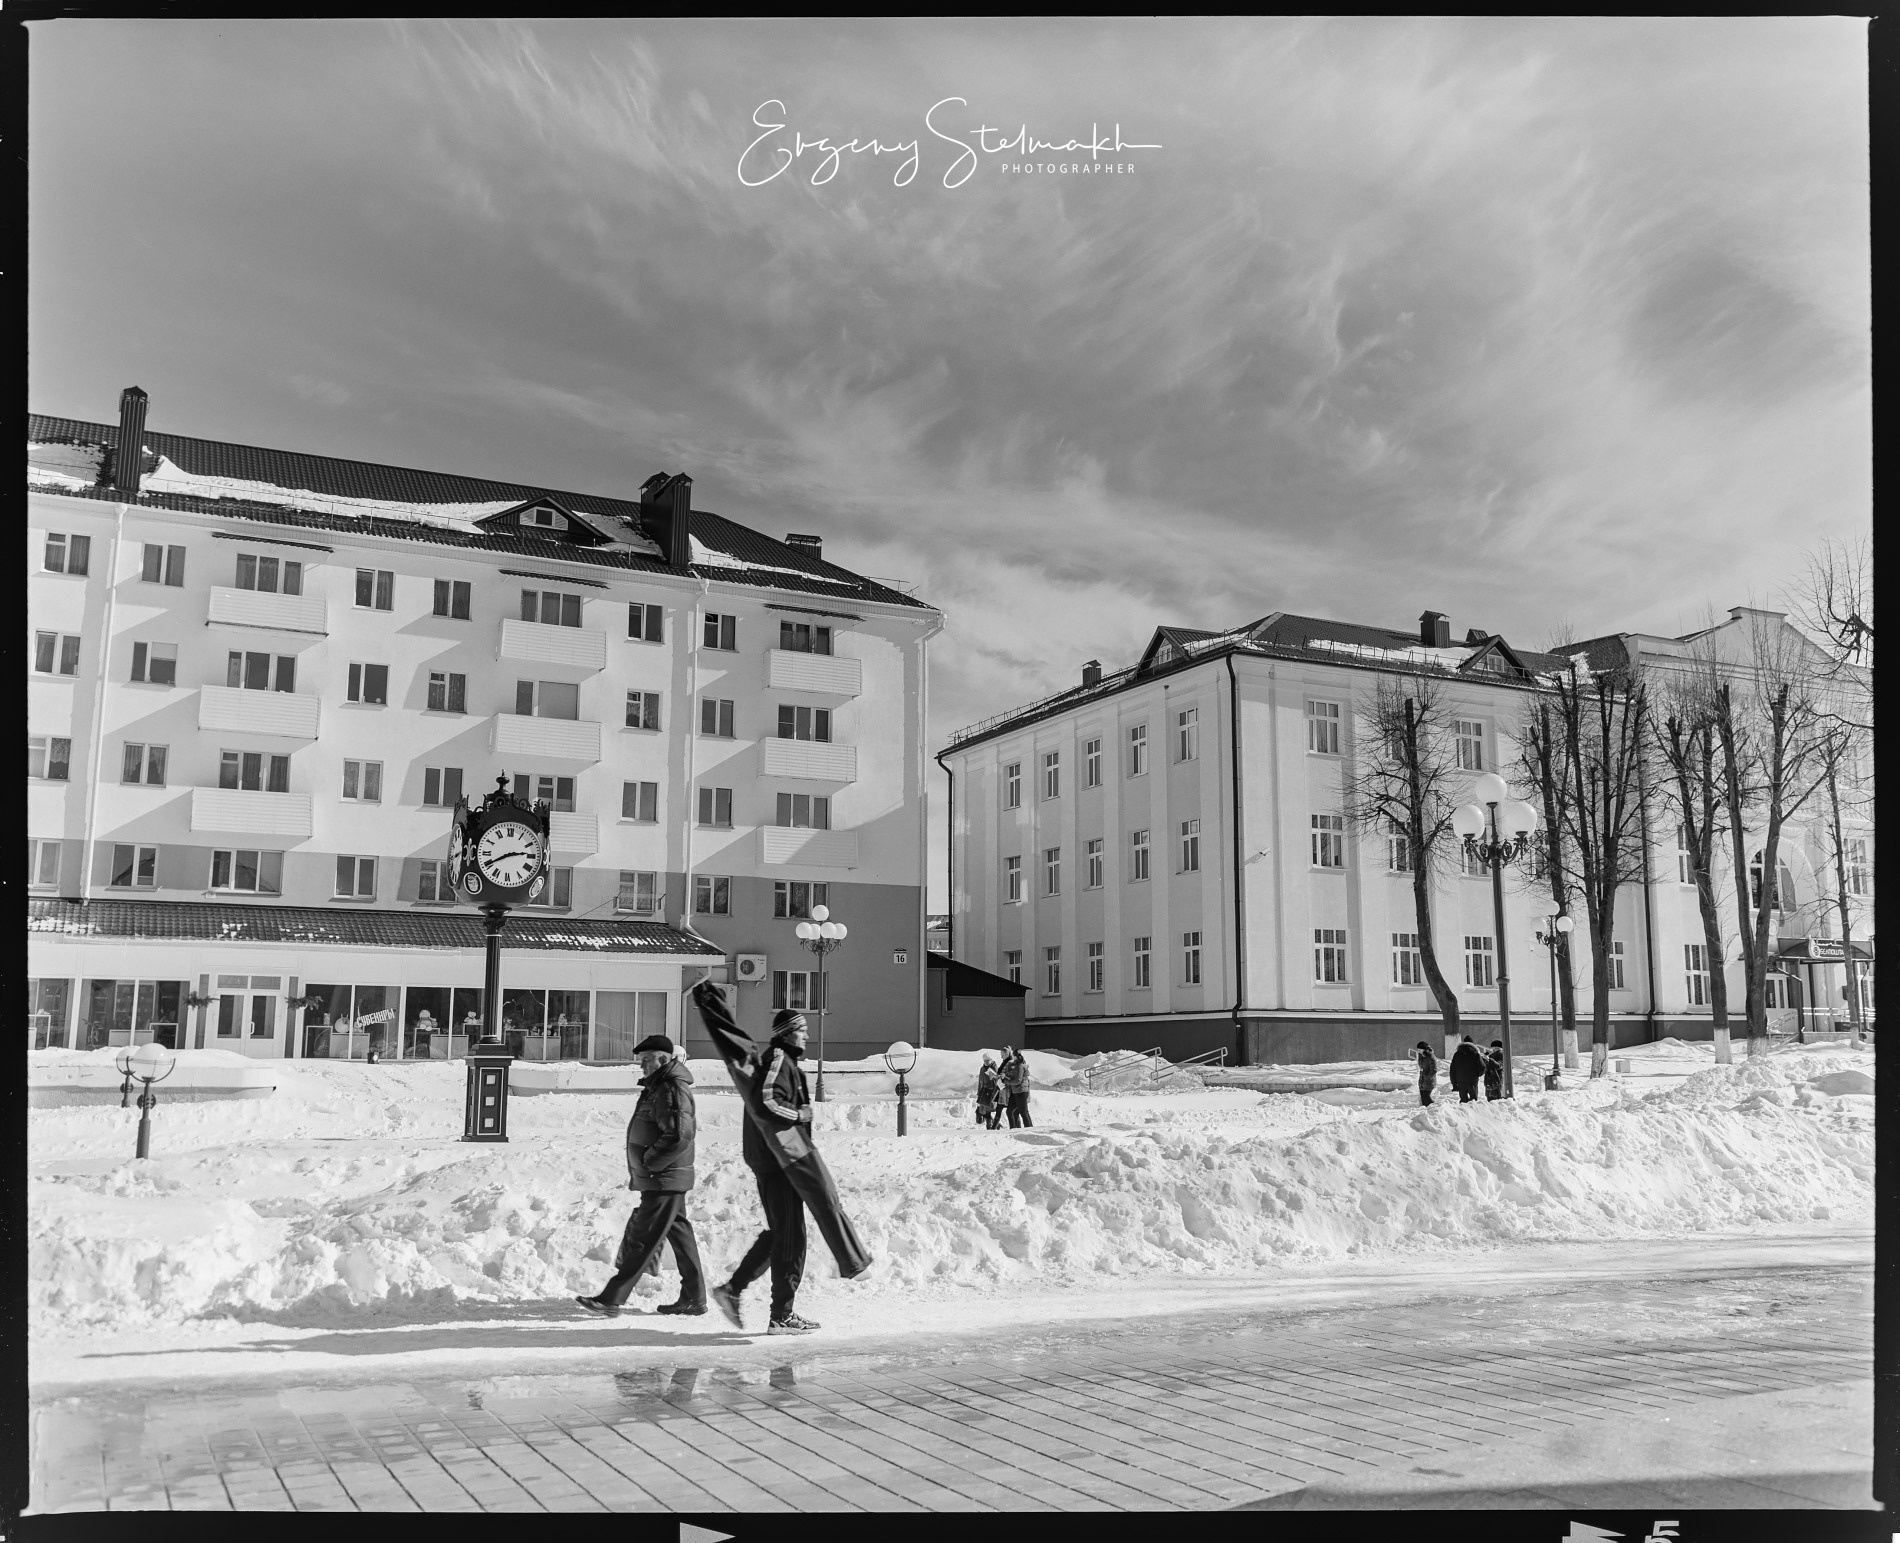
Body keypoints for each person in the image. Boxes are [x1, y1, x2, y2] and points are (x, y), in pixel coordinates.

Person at [576, 1035, 705, 1317]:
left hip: (664, 1177)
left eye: (646, 1060)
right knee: (681, 1238)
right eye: (641, 1061)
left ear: (663, 1059)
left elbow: (680, 1134)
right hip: (664, 1177)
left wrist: (651, 1163)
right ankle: (694, 1298)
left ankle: (612, 1299)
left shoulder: (671, 1087)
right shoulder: (659, 1086)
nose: (642, 1066)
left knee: (643, 1238)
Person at [710, 1009, 821, 1335]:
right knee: (789, 1237)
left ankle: (767, 1307)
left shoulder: (784, 1061)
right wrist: (801, 1113)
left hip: (784, 1162)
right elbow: (768, 1101)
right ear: (788, 1033)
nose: (807, 1036)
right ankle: (764, 1306)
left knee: (785, 1235)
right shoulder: (779, 1060)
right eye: (802, 1030)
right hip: (779, 1163)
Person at [999, 1046, 1033, 1128]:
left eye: (1013, 1055)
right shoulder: (1015, 1065)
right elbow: (1013, 1077)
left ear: (1016, 1056)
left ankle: (1029, 1129)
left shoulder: (1020, 1066)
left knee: (1024, 1112)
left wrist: (1007, 1081)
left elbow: (1018, 1080)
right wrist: (1005, 1076)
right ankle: (1013, 1129)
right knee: (1010, 1111)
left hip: (1021, 1091)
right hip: (1016, 1091)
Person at [1448, 1035, 1485, 1103]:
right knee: (1473, 1101)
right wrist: (1477, 1075)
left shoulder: (1457, 1054)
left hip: (1460, 1081)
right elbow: (1482, 1067)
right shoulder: (1475, 1053)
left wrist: (1454, 1084)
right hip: (1472, 1080)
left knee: (1463, 1101)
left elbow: (1452, 1070)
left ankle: (1462, 1113)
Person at [975, 1055, 1002, 1128]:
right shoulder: (982, 1069)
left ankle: (990, 1125)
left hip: (991, 1091)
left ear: (991, 1060)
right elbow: (980, 1081)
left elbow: (997, 1081)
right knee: (984, 1109)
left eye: (988, 1060)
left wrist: (995, 1092)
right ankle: (995, 1124)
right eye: (985, 1061)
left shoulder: (994, 1068)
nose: (986, 1062)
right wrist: (979, 1092)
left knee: (988, 1109)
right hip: (984, 1090)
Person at [1410, 1041, 1437, 1107]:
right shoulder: (1421, 1056)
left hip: (1429, 1081)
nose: (1418, 1051)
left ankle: (1435, 1110)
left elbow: (1434, 1070)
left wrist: (1427, 1077)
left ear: (1424, 1049)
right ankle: (1425, 1114)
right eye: (1418, 1049)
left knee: (1427, 1098)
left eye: (1419, 1049)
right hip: (1422, 1080)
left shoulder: (1431, 1057)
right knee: (1423, 1099)